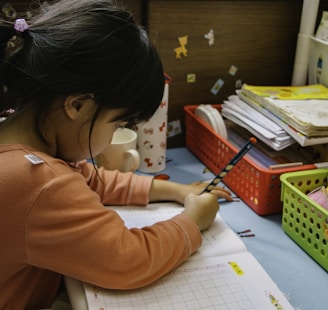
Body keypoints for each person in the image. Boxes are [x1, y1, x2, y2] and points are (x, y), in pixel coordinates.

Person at [0, 0, 232, 309]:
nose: (115, 135)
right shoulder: (38, 182)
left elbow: (86, 180)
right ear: (78, 105)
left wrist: (173, 190)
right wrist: (193, 221)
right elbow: (127, 259)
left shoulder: (18, 138)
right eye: (118, 123)